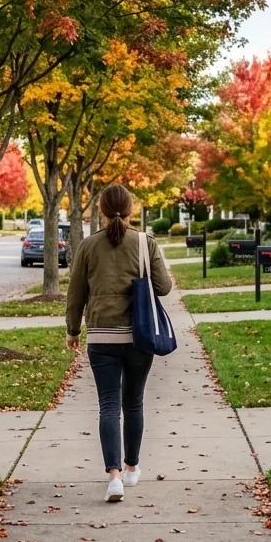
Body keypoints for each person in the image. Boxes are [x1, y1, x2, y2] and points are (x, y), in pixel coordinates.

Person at [65, 184, 172, 502]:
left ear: (99, 210)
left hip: (101, 337)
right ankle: (131, 468)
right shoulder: (144, 243)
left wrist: (73, 331)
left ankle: (113, 479)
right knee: (134, 402)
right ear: (131, 210)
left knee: (108, 406)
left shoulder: (88, 246)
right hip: (139, 336)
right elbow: (163, 287)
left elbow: (75, 294)